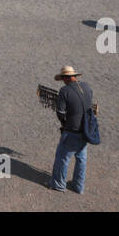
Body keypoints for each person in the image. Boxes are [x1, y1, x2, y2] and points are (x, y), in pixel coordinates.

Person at [49, 64, 93, 194]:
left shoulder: (64, 91)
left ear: (66, 78)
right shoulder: (86, 87)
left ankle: (58, 184)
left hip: (72, 130)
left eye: (63, 78)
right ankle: (78, 186)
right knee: (81, 158)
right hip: (86, 129)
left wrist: (64, 123)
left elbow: (60, 112)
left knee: (62, 157)